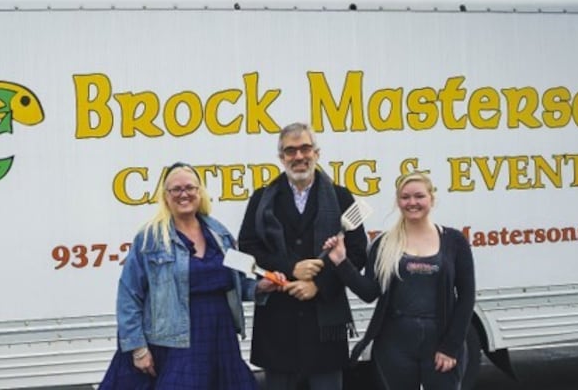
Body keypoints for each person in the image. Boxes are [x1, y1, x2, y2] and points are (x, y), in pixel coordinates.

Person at [99, 162, 284, 389]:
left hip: (219, 335)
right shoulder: (150, 238)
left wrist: (260, 287)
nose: (183, 194)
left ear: (199, 192)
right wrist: (138, 348)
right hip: (176, 342)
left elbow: (235, 282)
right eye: (175, 189)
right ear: (165, 197)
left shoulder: (219, 233)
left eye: (190, 188)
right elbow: (129, 295)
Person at [238, 122, 368, 390]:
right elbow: (248, 246)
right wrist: (291, 267)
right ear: (281, 157)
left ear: (316, 153)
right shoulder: (262, 199)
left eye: (305, 148)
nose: (299, 156)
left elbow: (356, 253)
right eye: (290, 151)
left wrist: (317, 284)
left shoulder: (341, 197)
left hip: (325, 327)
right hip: (277, 326)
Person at [322, 171, 475, 390]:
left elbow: (466, 297)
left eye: (419, 196)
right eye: (405, 197)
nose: (412, 202)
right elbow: (369, 292)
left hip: (440, 342)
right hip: (395, 345)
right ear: (398, 201)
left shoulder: (454, 241)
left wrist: (451, 347)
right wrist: (341, 261)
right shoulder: (384, 243)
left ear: (432, 198)